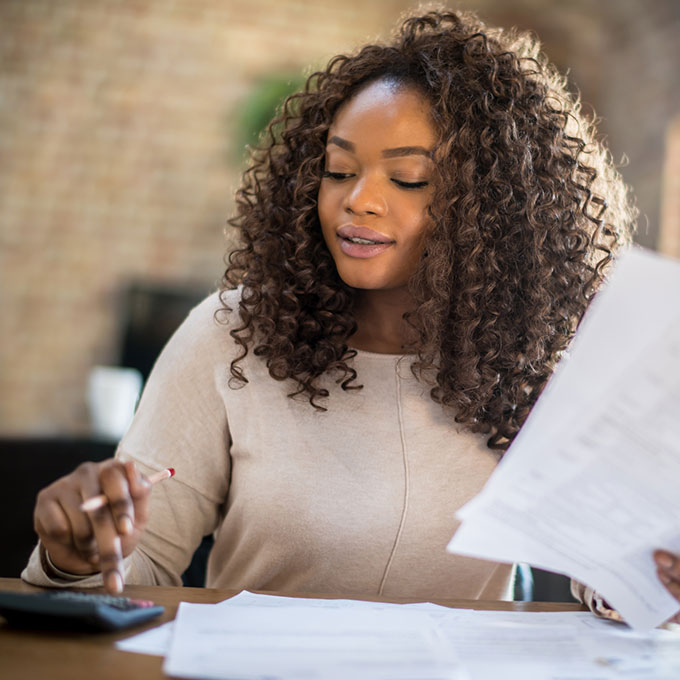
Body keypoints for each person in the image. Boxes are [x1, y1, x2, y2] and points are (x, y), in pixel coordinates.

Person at [22, 8, 680, 622]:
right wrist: (74, 557)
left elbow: (611, 585)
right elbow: (129, 574)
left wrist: (650, 581)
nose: (358, 201)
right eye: (339, 171)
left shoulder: (538, 363)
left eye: (408, 180)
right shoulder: (232, 337)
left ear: (494, 211)